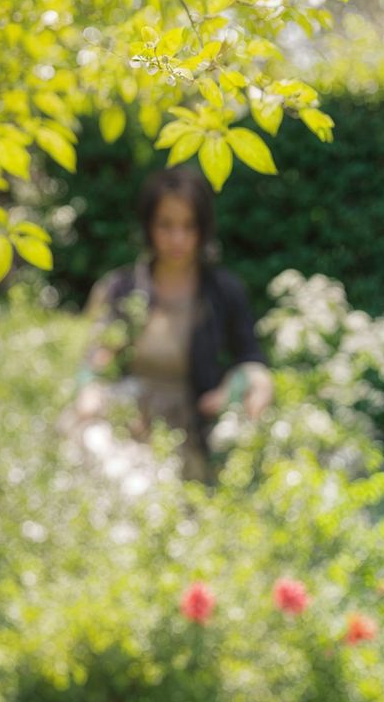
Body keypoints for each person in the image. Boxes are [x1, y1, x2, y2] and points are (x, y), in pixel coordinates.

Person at [71, 165, 272, 479]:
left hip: (188, 429)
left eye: (188, 226)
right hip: (126, 420)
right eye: (165, 225)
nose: (177, 238)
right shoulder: (123, 288)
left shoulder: (222, 291)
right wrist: (89, 388)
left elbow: (250, 357)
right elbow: (95, 358)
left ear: (202, 230)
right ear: (149, 226)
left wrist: (240, 387)